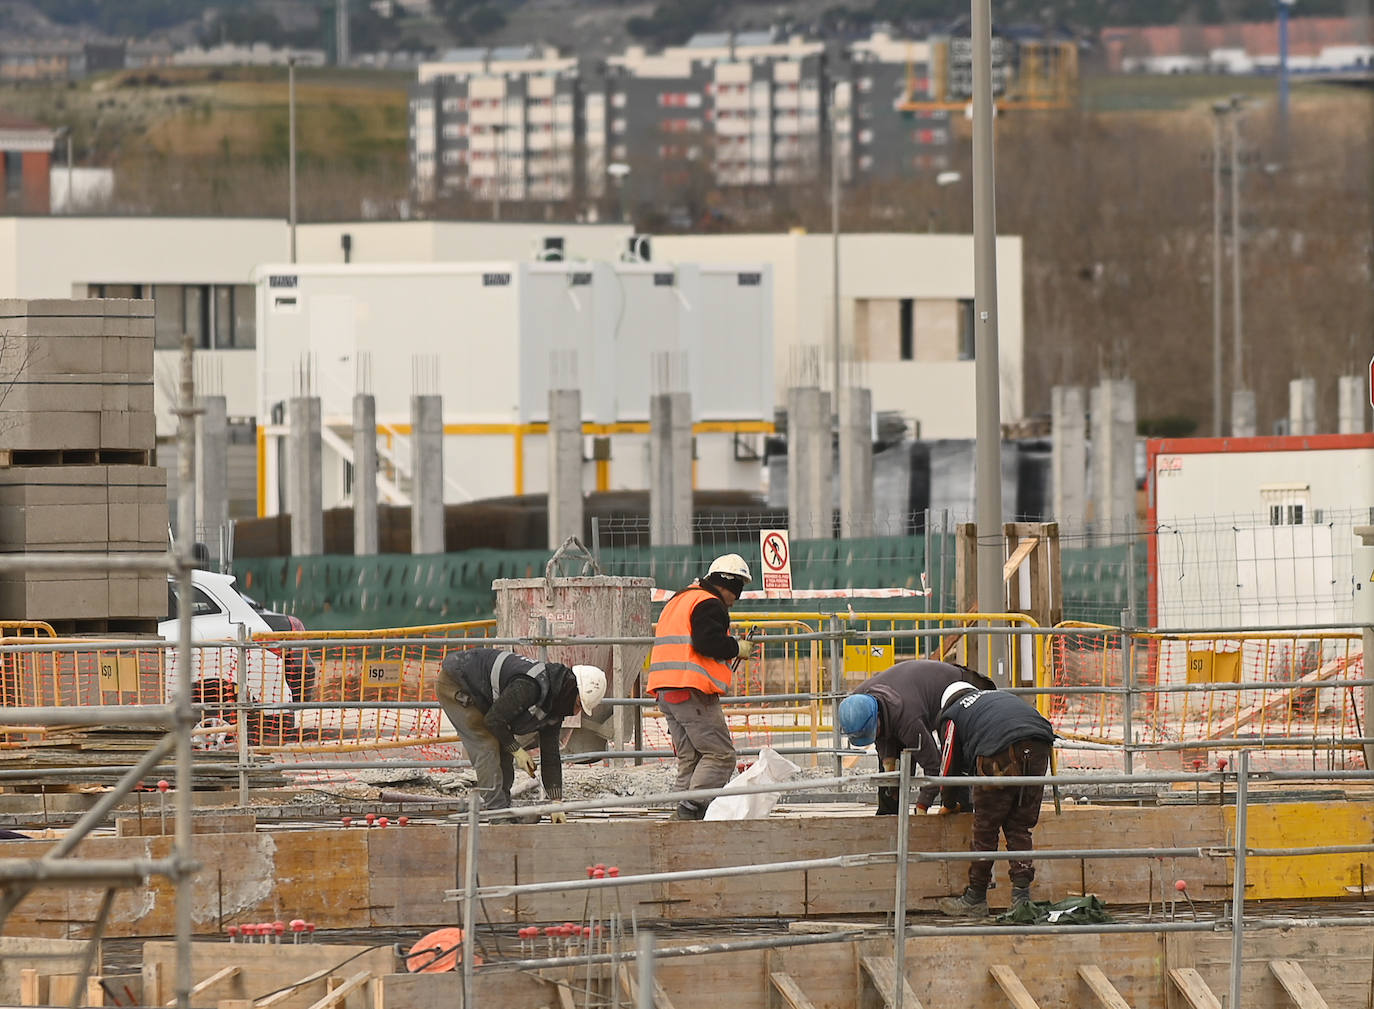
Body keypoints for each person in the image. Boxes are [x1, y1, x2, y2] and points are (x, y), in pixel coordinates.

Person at [436, 647, 606, 823]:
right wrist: (517, 750)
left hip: (481, 693)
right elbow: (494, 721)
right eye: (578, 704)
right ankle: (498, 817)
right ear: (572, 689)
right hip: (457, 682)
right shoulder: (530, 686)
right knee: (486, 745)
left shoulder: (555, 705)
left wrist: (556, 802)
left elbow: (551, 756)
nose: (576, 711)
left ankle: (503, 809)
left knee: (503, 746)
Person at [647, 553, 756, 820]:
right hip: (691, 690)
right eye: (737, 591)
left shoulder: (680, 598)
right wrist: (735, 647)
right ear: (730, 585)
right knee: (720, 756)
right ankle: (691, 810)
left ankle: (680, 819)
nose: (735, 600)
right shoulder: (709, 603)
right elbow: (706, 642)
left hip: (665, 689)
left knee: (692, 758)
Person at [932, 683, 1056, 916]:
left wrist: (948, 802)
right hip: (1039, 743)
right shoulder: (996, 698)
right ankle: (1021, 899)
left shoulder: (953, 714)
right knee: (1020, 825)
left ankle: (975, 897)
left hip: (998, 750)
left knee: (986, 828)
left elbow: (948, 766)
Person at [837, 659, 995, 815]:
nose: (873, 736)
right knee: (889, 774)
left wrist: (922, 804)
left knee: (954, 760)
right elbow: (884, 740)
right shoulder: (856, 703)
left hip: (958, 689)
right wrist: (889, 764)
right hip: (908, 699)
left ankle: (960, 817)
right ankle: (889, 819)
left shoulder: (908, 720)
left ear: (877, 717)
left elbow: (933, 765)